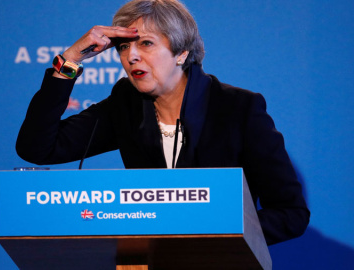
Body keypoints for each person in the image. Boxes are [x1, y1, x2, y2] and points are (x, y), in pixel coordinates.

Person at [16, 0, 309, 245]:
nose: (131, 56)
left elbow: (291, 213)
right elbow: (38, 148)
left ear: (181, 52)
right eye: (122, 47)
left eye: (145, 43)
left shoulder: (237, 108)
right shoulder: (126, 104)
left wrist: (218, 229)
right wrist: (69, 61)